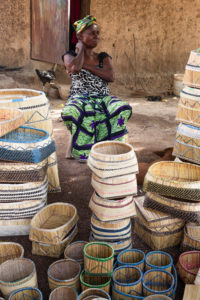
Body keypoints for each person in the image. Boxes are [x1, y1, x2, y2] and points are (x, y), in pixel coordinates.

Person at [61, 15, 132, 161]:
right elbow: (74, 68)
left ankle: (113, 149)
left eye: (98, 33)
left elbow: (110, 76)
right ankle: (84, 152)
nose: (96, 36)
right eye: (92, 33)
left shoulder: (103, 57)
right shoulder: (70, 55)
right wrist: (80, 50)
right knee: (71, 111)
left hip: (103, 98)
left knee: (121, 108)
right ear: (80, 35)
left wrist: (85, 66)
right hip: (79, 98)